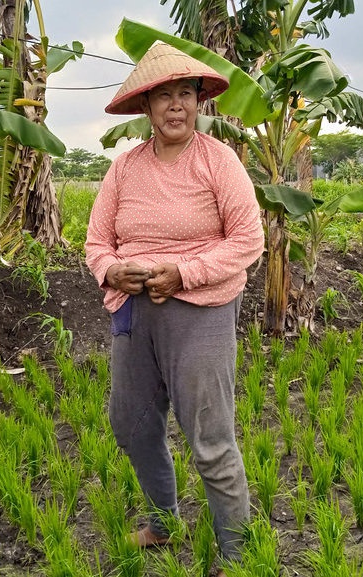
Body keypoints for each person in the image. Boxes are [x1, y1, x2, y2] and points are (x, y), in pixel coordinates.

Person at [84, 42, 265, 573]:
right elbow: (97, 242)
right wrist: (111, 270)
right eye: (164, 97)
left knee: (210, 436)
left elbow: (248, 240)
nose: (176, 106)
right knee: (133, 424)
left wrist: (182, 272)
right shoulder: (125, 168)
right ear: (147, 107)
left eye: (185, 93)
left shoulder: (218, 161)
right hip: (135, 312)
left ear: (200, 102)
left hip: (200, 310)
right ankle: (163, 523)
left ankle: (235, 555)